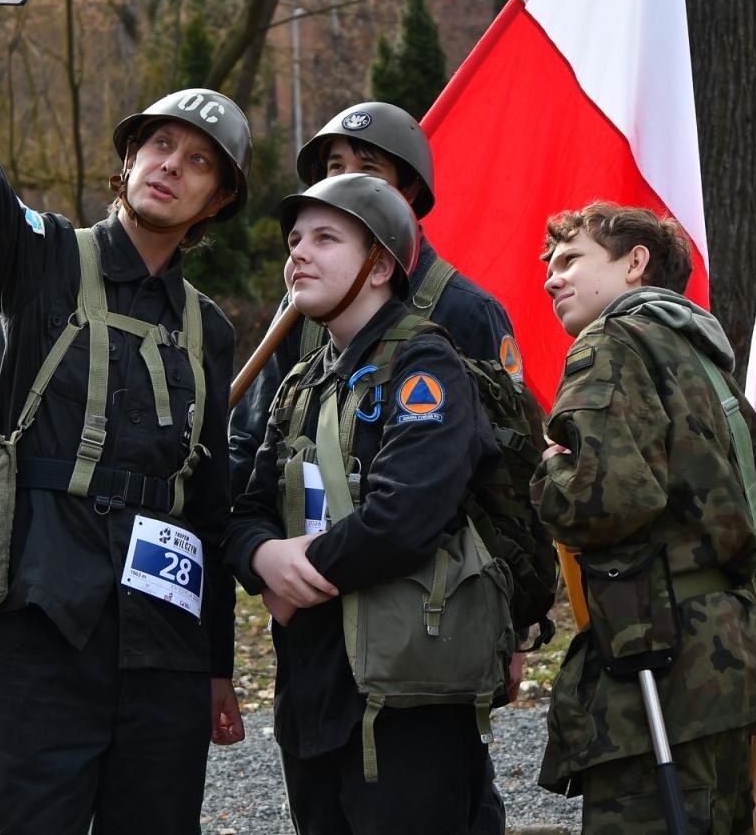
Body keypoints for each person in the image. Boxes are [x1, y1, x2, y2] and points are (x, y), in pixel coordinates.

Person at [0, 0, 249, 834]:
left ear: (216, 202)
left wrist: (216, 664)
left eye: (199, 162)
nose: (171, 165)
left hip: (165, 649)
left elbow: (210, 505)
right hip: (37, 631)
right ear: (128, 159)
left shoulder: (210, 329)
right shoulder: (42, 259)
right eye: (159, 145)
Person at [229, 103, 538, 834]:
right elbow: (250, 496)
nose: (298, 256)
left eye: (326, 237)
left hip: (408, 674)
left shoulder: (434, 350)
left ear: (379, 261)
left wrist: (298, 574)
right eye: (295, 239)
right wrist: (262, 558)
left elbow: (416, 510)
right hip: (314, 677)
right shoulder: (305, 374)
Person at [534, 201, 756, 835]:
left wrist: (546, 471)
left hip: (662, 665)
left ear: (635, 263)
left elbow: (605, 502)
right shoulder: (701, 355)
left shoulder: (611, 343)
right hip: (731, 658)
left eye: (570, 260)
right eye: (549, 266)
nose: (550, 279)